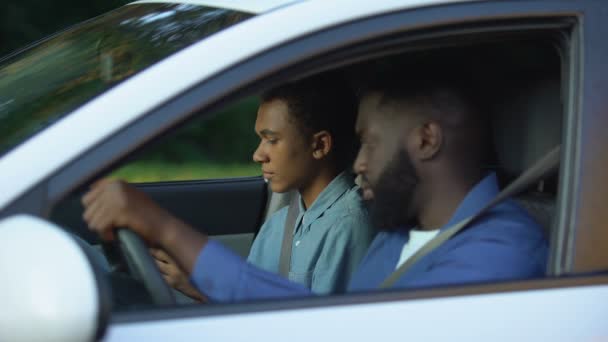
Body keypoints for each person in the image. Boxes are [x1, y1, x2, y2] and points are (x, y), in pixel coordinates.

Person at [83, 71, 547, 303]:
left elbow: (339, 332)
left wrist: (166, 228)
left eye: (369, 143)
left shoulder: (500, 253)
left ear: (426, 140)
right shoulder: (398, 232)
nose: (358, 163)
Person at [83, 74, 375, 299]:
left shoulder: (349, 226)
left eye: (272, 140)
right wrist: (194, 286)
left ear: (319, 145)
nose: (258, 154)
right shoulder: (279, 226)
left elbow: (321, 330)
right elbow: (252, 309)